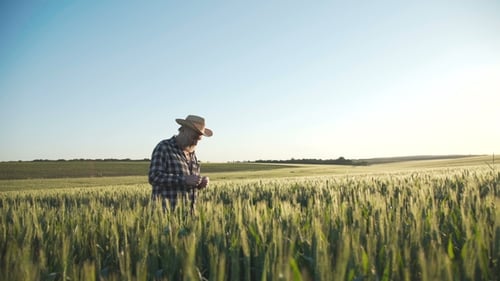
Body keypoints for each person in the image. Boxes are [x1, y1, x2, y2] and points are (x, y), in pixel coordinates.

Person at [148, 115, 212, 212]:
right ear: (183, 130)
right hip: (166, 215)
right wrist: (184, 179)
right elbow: (154, 177)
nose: (195, 142)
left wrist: (199, 183)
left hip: (189, 215)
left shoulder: (192, 155)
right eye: (193, 137)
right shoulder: (164, 147)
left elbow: (190, 183)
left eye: (198, 140)